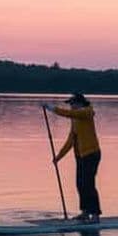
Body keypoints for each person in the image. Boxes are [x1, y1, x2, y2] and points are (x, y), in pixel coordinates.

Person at [43, 92, 102, 222]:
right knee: (80, 184)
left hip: (91, 154)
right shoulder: (75, 120)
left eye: (72, 104)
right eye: (70, 104)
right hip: (80, 156)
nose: (71, 106)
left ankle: (96, 214)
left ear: (80, 103)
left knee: (88, 184)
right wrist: (58, 157)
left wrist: (52, 108)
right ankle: (85, 212)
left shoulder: (86, 112)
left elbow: (70, 114)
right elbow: (71, 141)